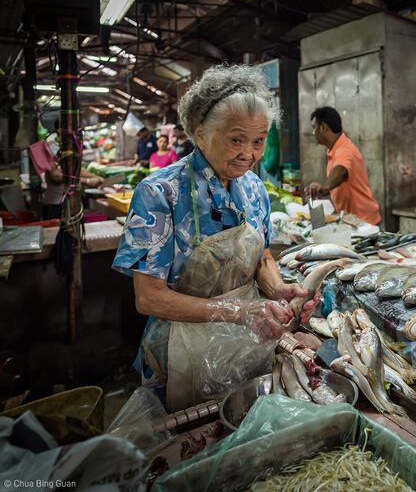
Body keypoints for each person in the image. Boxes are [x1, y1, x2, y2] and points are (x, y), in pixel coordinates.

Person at [113, 64, 320, 411]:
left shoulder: (254, 189)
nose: (248, 153)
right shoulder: (160, 193)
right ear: (200, 132)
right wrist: (237, 311)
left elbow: (262, 258)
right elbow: (148, 298)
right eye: (236, 139)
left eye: (258, 140)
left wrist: (279, 290)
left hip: (246, 339)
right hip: (181, 348)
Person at [304, 106, 381, 225]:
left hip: (364, 222)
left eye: (314, 128)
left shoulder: (344, 149)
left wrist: (325, 188)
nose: (313, 133)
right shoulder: (335, 149)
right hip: (351, 219)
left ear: (323, 127)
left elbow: (341, 170)